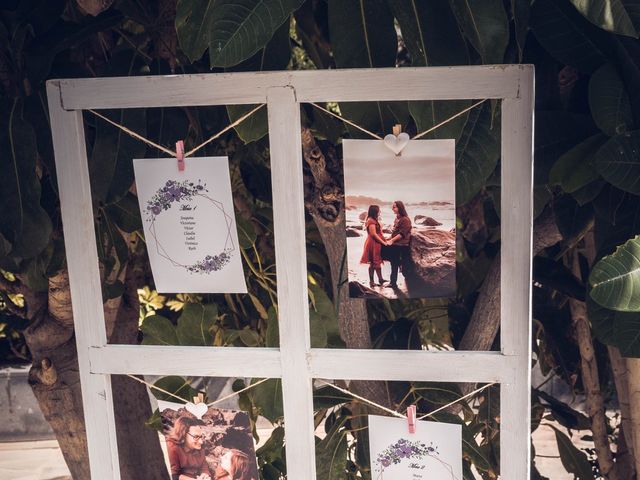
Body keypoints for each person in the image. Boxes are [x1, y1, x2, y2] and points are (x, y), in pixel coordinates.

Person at [360, 205, 388, 287]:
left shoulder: (373, 219)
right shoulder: (370, 220)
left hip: (376, 242)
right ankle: (372, 281)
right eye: (379, 210)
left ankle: (380, 279)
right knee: (373, 262)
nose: (380, 212)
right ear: (375, 211)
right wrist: (383, 242)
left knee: (376, 262)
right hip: (373, 243)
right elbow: (373, 234)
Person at [386, 200, 412, 289]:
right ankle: (393, 283)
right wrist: (389, 238)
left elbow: (402, 234)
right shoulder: (397, 218)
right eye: (392, 207)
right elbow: (395, 232)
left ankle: (411, 283)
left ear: (399, 208)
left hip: (402, 246)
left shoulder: (405, 219)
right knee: (393, 264)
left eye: (394, 207)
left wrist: (391, 241)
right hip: (395, 245)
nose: (392, 209)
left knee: (404, 265)